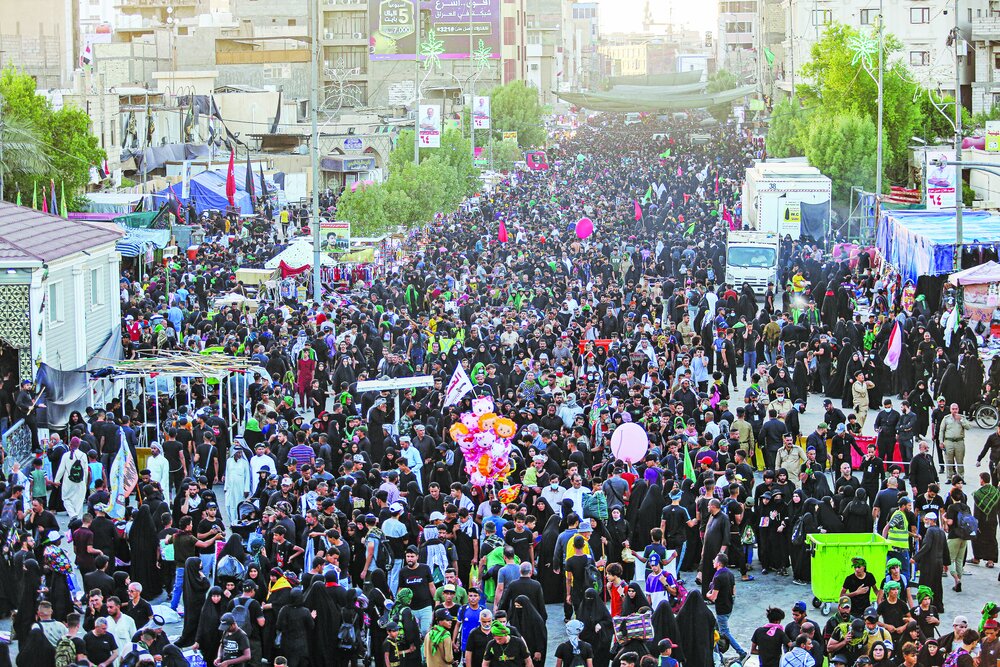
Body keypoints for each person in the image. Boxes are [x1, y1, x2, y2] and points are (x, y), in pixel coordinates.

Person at [706, 552, 747, 662]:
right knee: (719, 630)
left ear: (719, 564)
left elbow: (713, 597)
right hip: (729, 606)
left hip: (722, 608)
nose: (713, 561)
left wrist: (707, 594)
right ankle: (718, 653)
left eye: (715, 560)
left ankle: (741, 652)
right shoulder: (730, 573)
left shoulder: (718, 577)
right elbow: (733, 591)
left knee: (724, 632)